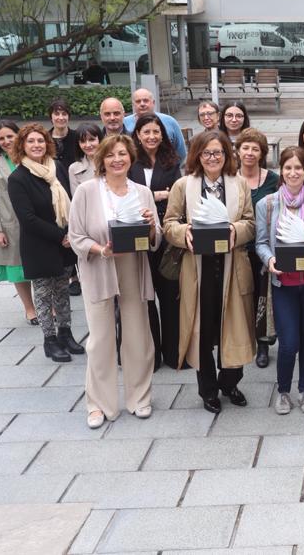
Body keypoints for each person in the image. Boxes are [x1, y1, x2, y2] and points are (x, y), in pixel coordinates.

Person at [68, 135, 159, 428]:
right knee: (100, 338)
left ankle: (139, 397)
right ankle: (98, 404)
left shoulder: (142, 192)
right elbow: (76, 236)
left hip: (133, 264)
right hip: (99, 265)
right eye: (110, 155)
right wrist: (100, 249)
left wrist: (150, 225)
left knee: (137, 333)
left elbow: (156, 236)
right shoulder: (86, 191)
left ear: (131, 158)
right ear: (101, 160)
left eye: (122, 154)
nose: (117, 159)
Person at [163, 131, 256, 414]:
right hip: (198, 269)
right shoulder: (183, 185)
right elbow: (169, 223)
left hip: (231, 266)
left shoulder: (239, 184)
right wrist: (184, 232)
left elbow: (251, 223)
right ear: (197, 156)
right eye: (206, 153)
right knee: (202, 332)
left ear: (227, 155)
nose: (212, 158)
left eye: (218, 153)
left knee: (235, 328)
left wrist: (234, 230)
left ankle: (230, 381)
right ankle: (208, 389)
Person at [255, 147, 304, 415]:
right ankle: (283, 390)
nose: (293, 173)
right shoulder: (267, 204)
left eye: (298, 168)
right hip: (284, 283)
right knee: (289, 342)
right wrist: (270, 261)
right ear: (281, 171)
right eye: (288, 168)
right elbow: (261, 243)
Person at [7, 124, 81, 363]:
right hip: (40, 245)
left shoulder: (56, 167)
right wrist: (60, 236)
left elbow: (70, 201)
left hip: (65, 242)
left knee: (62, 290)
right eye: (31, 141)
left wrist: (71, 233)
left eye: (40, 140)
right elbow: (27, 219)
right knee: (43, 293)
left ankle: (66, 334)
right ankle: (50, 340)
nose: (36, 145)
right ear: (22, 146)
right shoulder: (18, 178)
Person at [129, 113, 182, 370]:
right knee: (145, 297)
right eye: (146, 132)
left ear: (163, 135)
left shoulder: (172, 162)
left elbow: (177, 196)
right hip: (139, 235)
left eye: (156, 132)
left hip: (167, 236)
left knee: (170, 295)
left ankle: (174, 353)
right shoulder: (129, 162)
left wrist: (156, 197)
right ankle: (152, 355)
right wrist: (158, 195)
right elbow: (126, 196)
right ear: (138, 134)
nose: (151, 136)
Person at [0, 120, 37, 325]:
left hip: (35, 219)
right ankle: (30, 308)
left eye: (10, 136)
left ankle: (47, 304)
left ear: (19, 135)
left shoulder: (31, 155)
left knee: (41, 264)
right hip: (11, 224)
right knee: (18, 268)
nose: (7, 141)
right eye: (1, 138)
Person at [237, 128, 279, 369]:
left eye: (255, 148)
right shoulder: (230, 178)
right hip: (239, 248)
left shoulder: (273, 180)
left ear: (262, 153)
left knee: (263, 296)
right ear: (238, 150)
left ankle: (263, 344)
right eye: (246, 147)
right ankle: (244, 341)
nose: (250, 153)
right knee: (244, 296)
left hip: (265, 248)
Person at [123, 88, 188, 162]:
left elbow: (181, 152)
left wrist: (172, 169)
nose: (142, 104)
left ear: (153, 102)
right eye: (138, 101)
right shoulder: (125, 123)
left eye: (146, 100)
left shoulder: (170, 122)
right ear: (133, 104)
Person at [69, 124, 104, 192]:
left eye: (92, 139)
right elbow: (77, 200)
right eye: (83, 141)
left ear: (100, 140)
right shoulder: (74, 168)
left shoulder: (111, 162)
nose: (87, 145)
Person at [49, 99, 78, 176]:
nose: (61, 117)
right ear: (51, 117)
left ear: (68, 117)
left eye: (64, 114)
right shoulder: (44, 139)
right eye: (57, 114)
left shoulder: (78, 137)